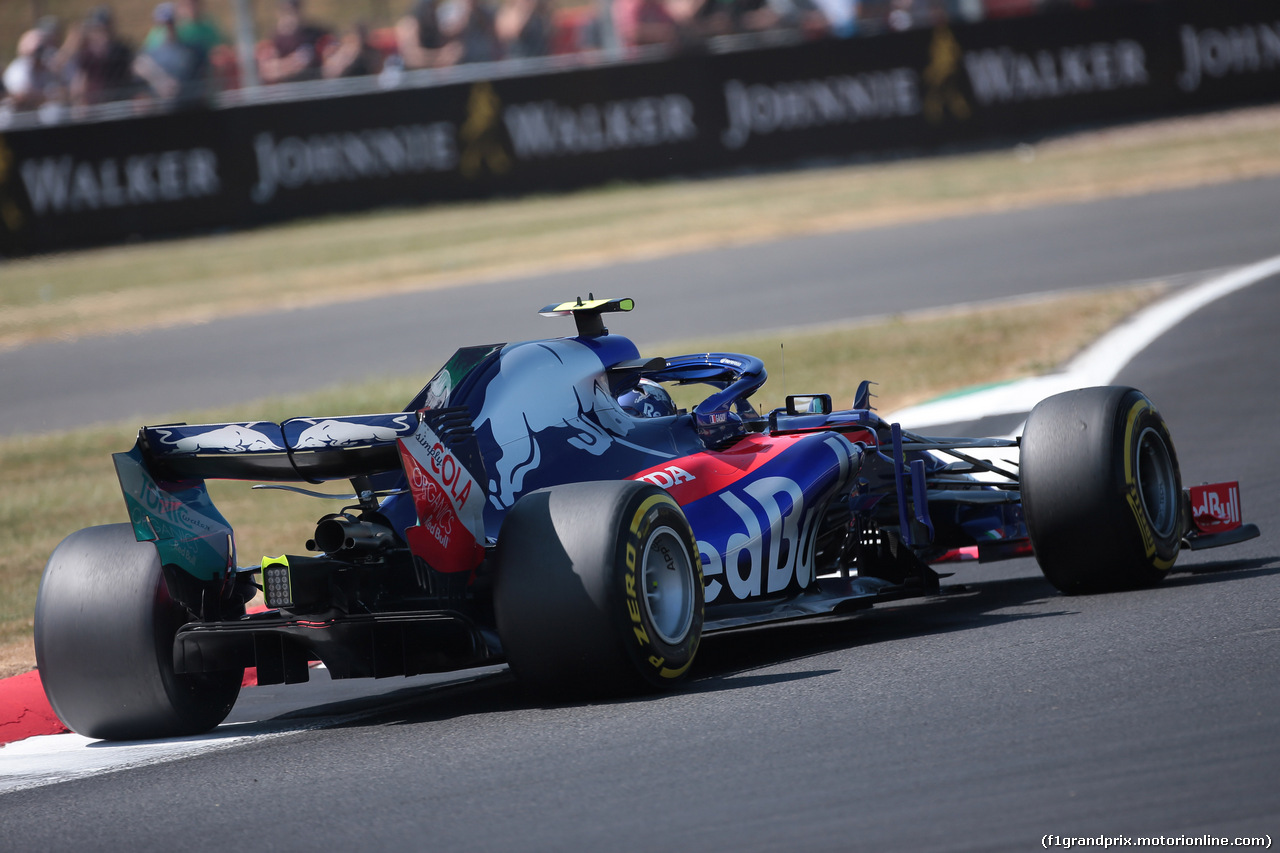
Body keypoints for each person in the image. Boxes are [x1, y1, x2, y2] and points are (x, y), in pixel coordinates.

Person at [134, 2, 208, 107]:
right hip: (162, 105)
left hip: (189, 104)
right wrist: (160, 81)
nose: (169, 28)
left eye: (171, 23)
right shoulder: (151, 50)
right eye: (165, 24)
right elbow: (139, 65)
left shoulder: (192, 50)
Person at [69, 7, 135, 106]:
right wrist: (79, 102)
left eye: (106, 27)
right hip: (96, 104)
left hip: (120, 101)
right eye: (99, 28)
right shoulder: (87, 53)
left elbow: (135, 68)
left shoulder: (121, 49)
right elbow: (81, 80)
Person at [259, 0, 331, 84]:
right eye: (286, 11)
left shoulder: (316, 34)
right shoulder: (274, 39)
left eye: (294, 10)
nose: (291, 15)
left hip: (315, 87)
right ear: (279, 13)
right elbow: (267, 71)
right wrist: (292, 63)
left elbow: (331, 61)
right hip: (288, 91)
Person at [395, 0, 460, 68]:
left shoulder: (435, 22)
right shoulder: (409, 24)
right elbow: (411, 59)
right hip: (411, 73)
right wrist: (440, 55)